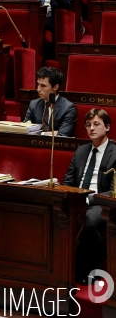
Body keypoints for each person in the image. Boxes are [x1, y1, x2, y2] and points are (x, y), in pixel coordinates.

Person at [62, 109, 116, 282]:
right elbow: (68, 182)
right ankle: (60, 270)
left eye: (96, 124)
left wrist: (88, 199)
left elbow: (114, 191)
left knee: (89, 220)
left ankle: (92, 269)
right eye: (88, 125)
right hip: (77, 200)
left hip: (102, 202)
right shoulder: (81, 152)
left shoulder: (115, 153)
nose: (91, 128)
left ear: (107, 127)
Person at [23, 67, 77, 136]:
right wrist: (51, 133)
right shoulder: (34, 104)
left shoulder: (68, 108)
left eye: (43, 86)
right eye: (38, 84)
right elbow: (24, 130)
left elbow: (63, 135)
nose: (38, 89)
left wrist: (38, 133)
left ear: (55, 87)